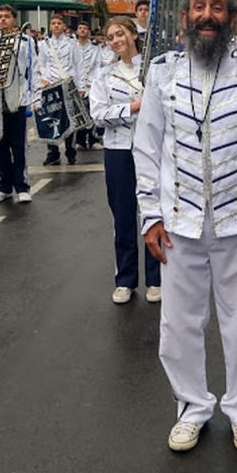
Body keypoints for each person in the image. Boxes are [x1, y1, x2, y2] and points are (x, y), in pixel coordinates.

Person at [133, 0, 237, 455]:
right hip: (179, 224)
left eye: (217, 7)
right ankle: (191, 408)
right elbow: (147, 149)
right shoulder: (161, 75)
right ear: (185, 18)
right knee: (178, 325)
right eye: (199, 6)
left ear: (232, 19)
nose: (208, 14)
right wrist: (150, 215)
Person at [89, 16, 160, 305]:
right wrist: (133, 107)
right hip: (118, 150)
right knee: (123, 214)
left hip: (152, 149)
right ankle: (126, 279)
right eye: (111, 37)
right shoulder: (104, 75)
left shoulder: (154, 68)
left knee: (154, 212)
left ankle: (156, 279)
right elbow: (98, 114)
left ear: (133, 34)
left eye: (121, 34)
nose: (117, 40)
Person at [0, 5, 38, 205]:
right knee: (0, 146)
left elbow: (33, 69)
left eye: (7, 16)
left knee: (18, 146)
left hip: (18, 98)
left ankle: (22, 186)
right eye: (0, 17)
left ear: (14, 19)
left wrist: (34, 97)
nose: (3, 20)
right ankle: (4, 186)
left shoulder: (25, 41)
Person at [36, 15, 81, 165]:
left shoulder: (71, 43)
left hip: (68, 85)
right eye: (53, 23)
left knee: (70, 119)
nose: (56, 26)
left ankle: (70, 151)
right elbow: (41, 64)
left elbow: (78, 64)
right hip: (51, 86)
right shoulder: (44, 44)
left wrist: (80, 86)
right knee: (51, 118)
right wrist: (44, 78)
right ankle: (53, 153)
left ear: (64, 26)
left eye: (59, 23)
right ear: (50, 26)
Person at [72, 21, 101, 151]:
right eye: (80, 28)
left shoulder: (95, 48)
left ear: (88, 31)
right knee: (79, 114)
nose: (82, 30)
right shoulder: (71, 47)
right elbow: (71, 67)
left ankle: (93, 139)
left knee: (92, 113)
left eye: (85, 28)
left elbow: (98, 67)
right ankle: (80, 140)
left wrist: (89, 85)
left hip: (91, 85)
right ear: (77, 31)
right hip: (76, 85)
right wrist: (78, 86)